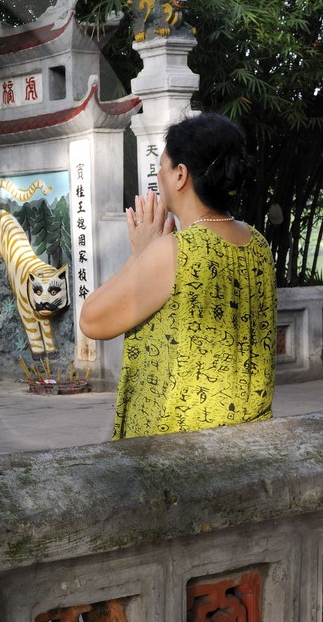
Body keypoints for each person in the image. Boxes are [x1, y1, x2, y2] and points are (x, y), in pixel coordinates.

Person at [78, 112, 276, 439]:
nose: (159, 175)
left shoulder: (174, 251)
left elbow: (92, 321)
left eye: (163, 166)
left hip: (178, 450)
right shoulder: (258, 244)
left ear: (180, 175)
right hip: (247, 437)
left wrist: (139, 255)